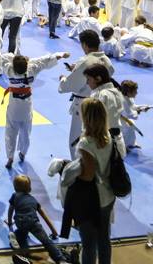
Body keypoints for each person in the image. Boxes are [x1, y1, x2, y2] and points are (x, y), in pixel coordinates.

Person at [57, 98, 114, 264]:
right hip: (108, 195)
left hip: (91, 199)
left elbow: (88, 175)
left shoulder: (86, 143)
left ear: (86, 118)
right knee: (104, 238)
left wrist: (69, 172)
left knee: (89, 242)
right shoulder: (108, 136)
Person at [6, 174, 68, 264]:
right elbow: (44, 216)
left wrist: (10, 222)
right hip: (33, 223)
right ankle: (61, 259)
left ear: (15, 188)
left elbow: (10, 209)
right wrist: (54, 231)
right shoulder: (33, 200)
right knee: (46, 241)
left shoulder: (14, 196)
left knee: (23, 235)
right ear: (29, 188)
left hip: (19, 221)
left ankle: (16, 238)